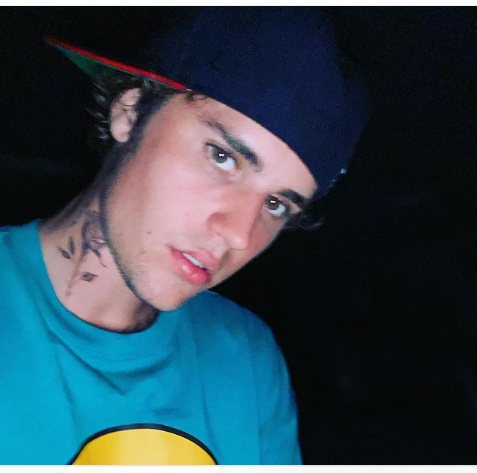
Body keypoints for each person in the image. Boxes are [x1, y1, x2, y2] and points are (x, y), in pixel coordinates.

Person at [0, 7, 368, 465]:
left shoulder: (245, 358)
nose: (238, 234)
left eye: (276, 205)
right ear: (131, 112)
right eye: (222, 157)